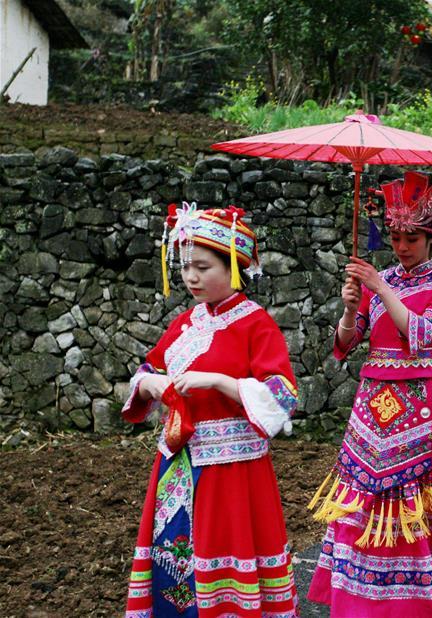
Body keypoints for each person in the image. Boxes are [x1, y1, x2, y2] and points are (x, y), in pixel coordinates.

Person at [306, 173, 432, 617]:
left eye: (412, 239)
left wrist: (380, 289)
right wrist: (350, 309)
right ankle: (357, 599)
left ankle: (413, 604)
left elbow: (422, 334)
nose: (401, 246)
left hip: (420, 400)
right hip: (372, 400)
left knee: (416, 497)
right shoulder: (376, 282)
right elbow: (347, 342)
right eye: (396, 237)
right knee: (363, 493)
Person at [122, 203, 301, 616]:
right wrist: (149, 384)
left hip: (232, 470)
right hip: (178, 463)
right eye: (185, 267)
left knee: (224, 550)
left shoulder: (256, 324)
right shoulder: (185, 322)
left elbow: (283, 395)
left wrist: (221, 382)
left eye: (203, 267)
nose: (191, 277)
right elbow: (149, 368)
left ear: (234, 267)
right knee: (176, 555)